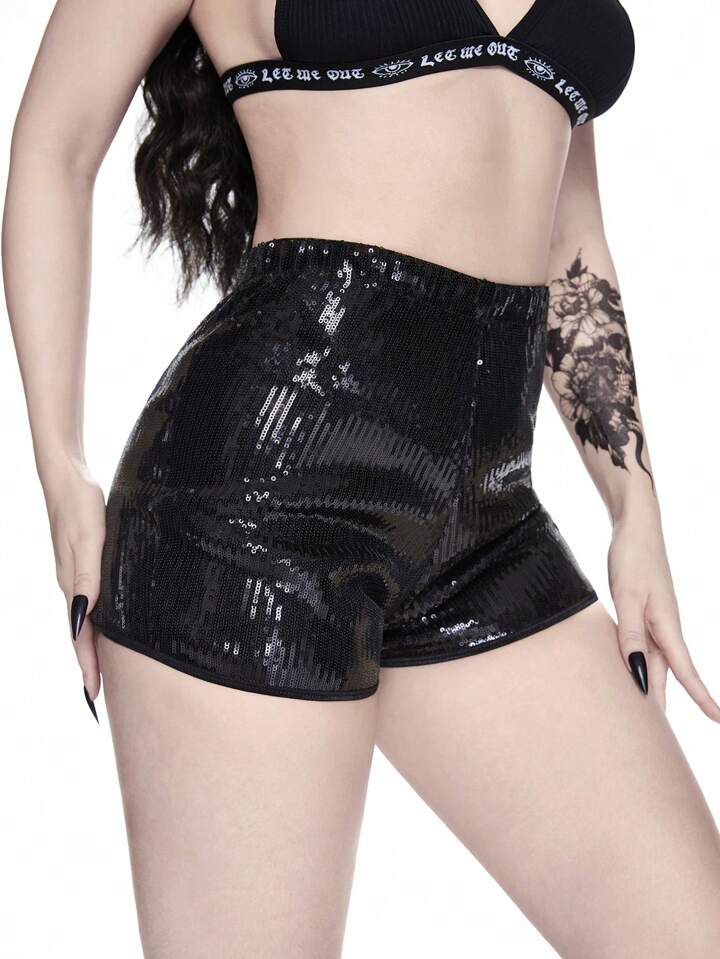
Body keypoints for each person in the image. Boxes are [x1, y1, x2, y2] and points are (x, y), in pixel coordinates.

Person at [4, 1, 720, 955]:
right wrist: (62, 474)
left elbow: (566, 239)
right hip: (259, 511)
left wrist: (635, 508)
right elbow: (55, 147)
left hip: (489, 520)